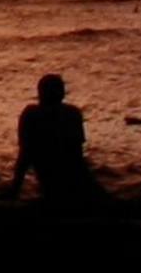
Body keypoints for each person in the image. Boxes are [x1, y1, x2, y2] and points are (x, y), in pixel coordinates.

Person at [7, 73, 102, 203]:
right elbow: (78, 156)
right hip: (74, 181)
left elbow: (24, 156)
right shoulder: (71, 114)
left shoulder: (32, 114)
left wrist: (15, 189)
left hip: (63, 182)